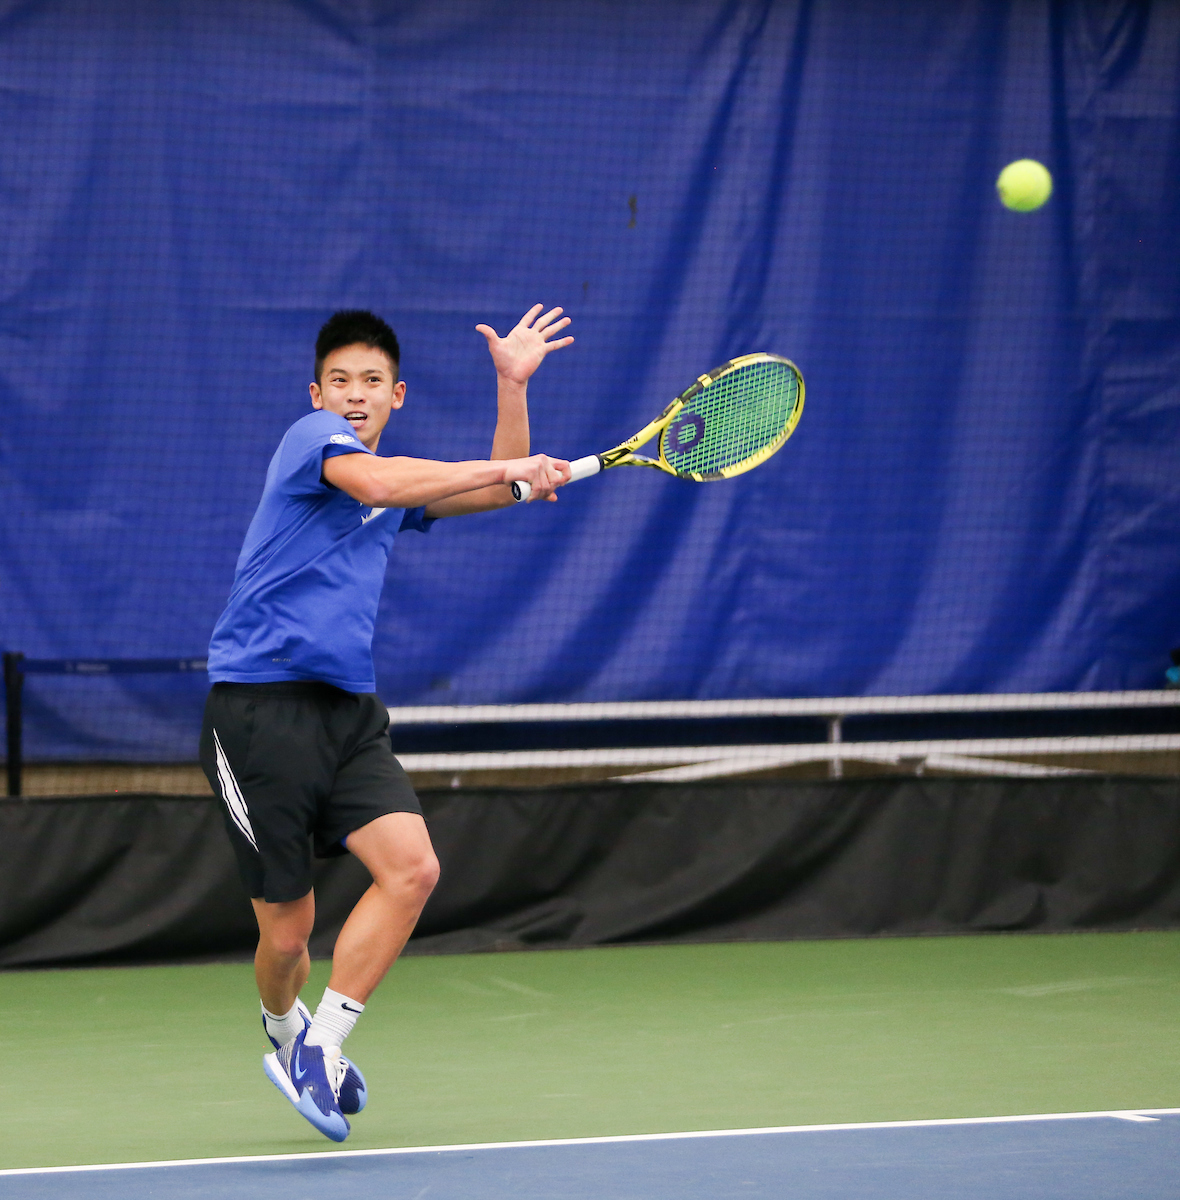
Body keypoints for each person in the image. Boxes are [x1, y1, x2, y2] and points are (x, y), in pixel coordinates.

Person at [199, 304, 573, 1142]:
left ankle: (321, 1048)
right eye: (341, 382)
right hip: (257, 712)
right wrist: (511, 463)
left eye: (372, 383)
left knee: (412, 869)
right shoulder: (313, 444)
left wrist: (511, 389)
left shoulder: (395, 491)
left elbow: (497, 487)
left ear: (396, 395)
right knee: (288, 938)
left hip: (347, 714)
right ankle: (283, 1025)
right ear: (317, 394)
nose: (355, 395)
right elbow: (379, 480)